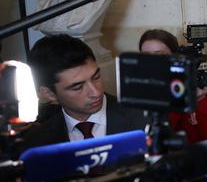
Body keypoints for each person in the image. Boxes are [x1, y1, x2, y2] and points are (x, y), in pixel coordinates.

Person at [17, 34, 146, 152]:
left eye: (96, 77)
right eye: (78, 87)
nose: (96, 92)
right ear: (48, 93)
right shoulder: (37, 142)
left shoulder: (143, 119)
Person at [138, 29, 207, 143]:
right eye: (146, 56)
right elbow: (149, 139)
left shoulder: (194, 84)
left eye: (159, 56)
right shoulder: (136, 90)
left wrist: (199, 100)